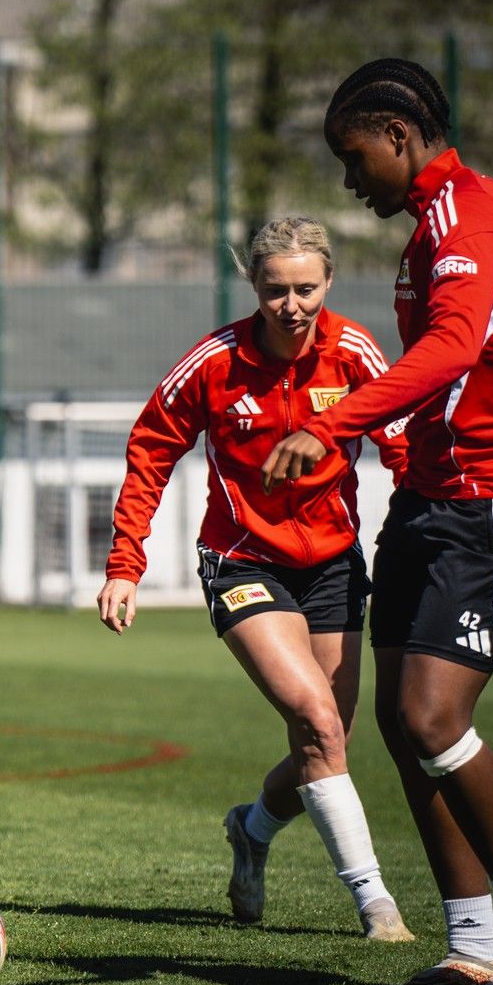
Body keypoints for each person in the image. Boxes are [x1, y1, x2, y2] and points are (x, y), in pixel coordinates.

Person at [264, 58, 493, 985]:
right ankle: (471, 946)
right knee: (399, 726)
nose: (348, 178)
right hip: (436, 496)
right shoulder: (429, 232)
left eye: (353, 156)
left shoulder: (473, 219)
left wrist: (333, 423)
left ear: (398, 136)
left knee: (432, 715)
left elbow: (453, 347)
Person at [98, 217, 413, 942]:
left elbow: (406, 446)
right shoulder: (214, 361)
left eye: (306, 289)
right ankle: (376, 904)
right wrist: (125, 564)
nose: (291, 306)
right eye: (275, 290)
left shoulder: (355, 352)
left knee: (327, 741)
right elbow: (150, 450)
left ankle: (252, 827)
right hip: (242, 562)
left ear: (328, 281)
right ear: (253, 285)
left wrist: (413, 533)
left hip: (334, 564)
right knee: (318, 722)